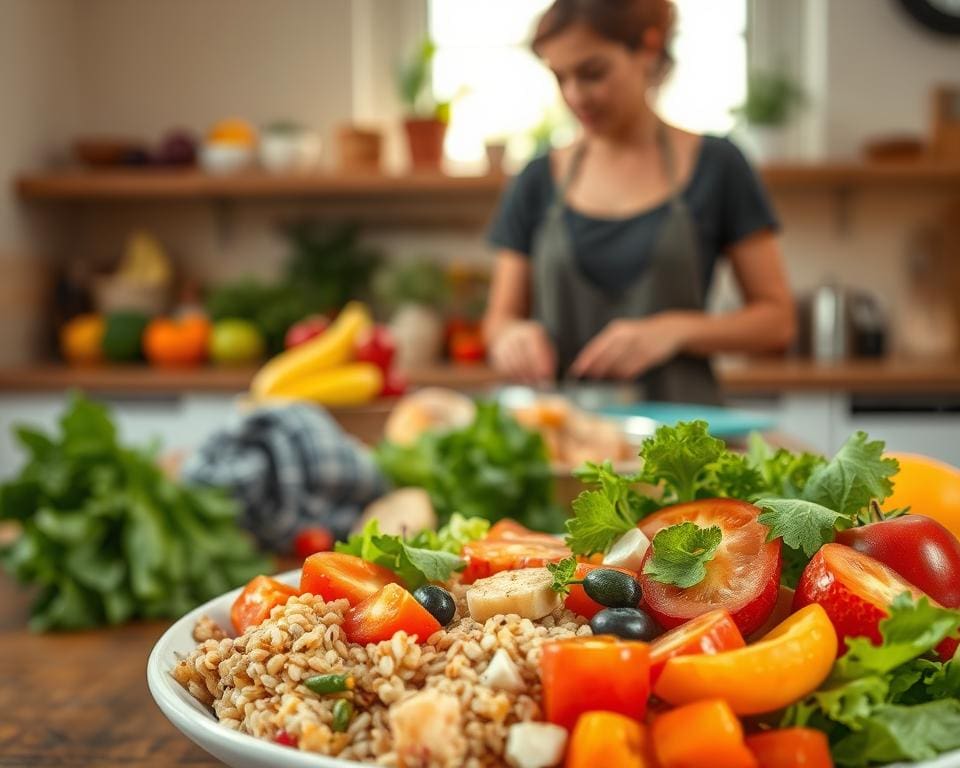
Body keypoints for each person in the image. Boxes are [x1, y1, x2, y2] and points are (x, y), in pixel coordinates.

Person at [483, 0, 796, 403]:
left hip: (685, 446)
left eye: (592, 73)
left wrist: (673, 330)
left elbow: (777, 323)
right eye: (560, 78)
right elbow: (498, 320)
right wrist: (511, 336)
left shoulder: (719, 165)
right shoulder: (537, 179)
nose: (575, 95)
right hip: (566, 443)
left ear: (648, 49)